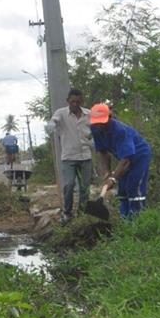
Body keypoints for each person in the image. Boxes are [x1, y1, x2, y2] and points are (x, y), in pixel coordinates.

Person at [89, 103, 152, 219]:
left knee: (133, 186)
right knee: (122, 189)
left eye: (102, 122)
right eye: (96, 122)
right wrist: (107, 172)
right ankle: (125, 219)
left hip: (139, 156)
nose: (99, 125)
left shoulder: (120, 131)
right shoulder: (95, 129)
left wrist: (113, 179)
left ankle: (138, 220)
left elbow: (126, 161)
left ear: (109, 117)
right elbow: (103, 152)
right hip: (124, 157)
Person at [47, 88, 94, 221]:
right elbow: (54, 120)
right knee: (69, 185)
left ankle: (82, 213)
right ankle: (67, 212)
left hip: (85, 156)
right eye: (72, 101)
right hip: (69, 157)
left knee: (85, 187)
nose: (75, 104)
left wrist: (93, 141)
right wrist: (51, 125)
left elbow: (95, 129)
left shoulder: (88, 114)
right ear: (68, 101)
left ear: (81, 101)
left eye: (78, 102)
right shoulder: (61, 113)